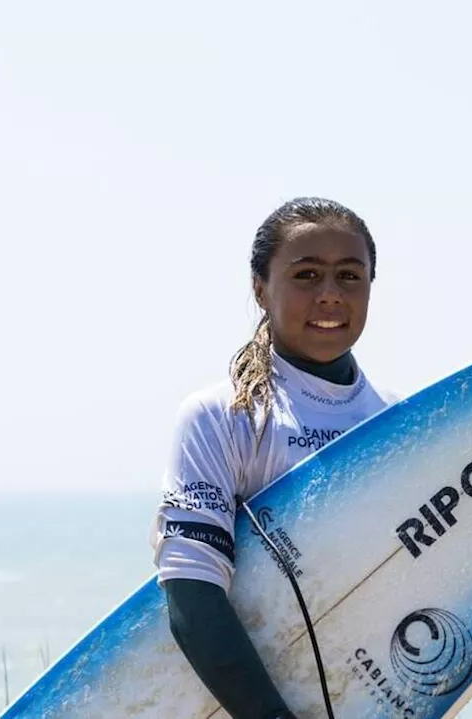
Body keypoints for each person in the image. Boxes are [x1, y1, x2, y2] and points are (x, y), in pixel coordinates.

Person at [150, 197, 395, 719]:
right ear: (260, 289)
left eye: (350, 276)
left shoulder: (400, 424)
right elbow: (192, 597)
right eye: (306, 275)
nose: (330, 295)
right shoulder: (224, 417)